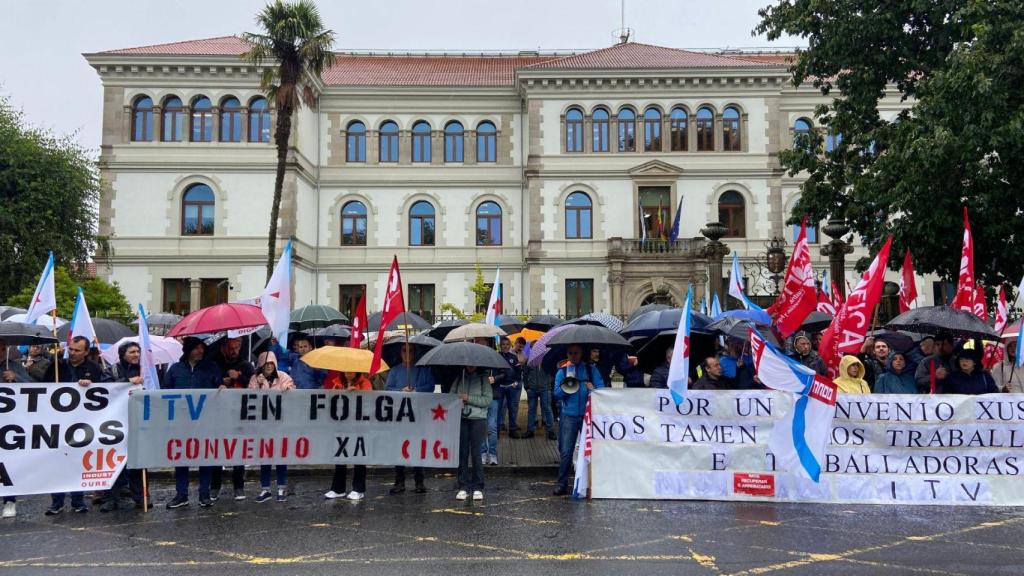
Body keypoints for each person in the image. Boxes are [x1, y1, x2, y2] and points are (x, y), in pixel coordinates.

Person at [45, 335, 108, 515]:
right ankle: (56, 502)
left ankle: (78, 501)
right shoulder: (57, 366)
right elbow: (42, 387)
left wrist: (89, 385)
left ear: (86, 352)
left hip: (81, 422)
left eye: (77, 350)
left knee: (78, 461)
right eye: (70, 349)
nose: (72, 353)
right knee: (57, 462)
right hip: (57, 422)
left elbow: (103, 392)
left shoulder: (94, 368)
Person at [163, 337, 221, 509]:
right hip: (181, 422)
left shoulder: (211, 367)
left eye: (202, 348)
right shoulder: (175, 369)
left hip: (206, 421)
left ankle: (204, 494)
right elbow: (165, 392)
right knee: (181, 457)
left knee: (206, 456)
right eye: (196, 348)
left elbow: (219, 387)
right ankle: (181, 494)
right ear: (188, 350)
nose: (200, 351)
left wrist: (222, 387)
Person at [99, 342, 150, 512]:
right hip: (115, 423)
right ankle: (110, 498)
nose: (136, 355)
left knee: (138, 461)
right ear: (123, 354)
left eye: (138, 352)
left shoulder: (145, 371)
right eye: (132, 352)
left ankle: (141, 496)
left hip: (138, 421)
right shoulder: (111, 371)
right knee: (113, 461)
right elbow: (105, 390)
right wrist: (128, 382)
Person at [552, 344, 605, 496]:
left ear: (581, 354)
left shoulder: (590, 369)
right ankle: (562, 483)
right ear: (567, 354)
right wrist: (567, 386)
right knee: (566, 451)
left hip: (588, 414)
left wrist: (592, 387)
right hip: (569, 414)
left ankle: (592, 482)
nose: (573, 356)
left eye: (576, 353)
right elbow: (556, 393)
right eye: (570, 353)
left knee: (592, 449)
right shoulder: (562, 371)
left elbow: (601, 389)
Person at [386, 344, 435, 494]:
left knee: (416, 447)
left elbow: (430, 387)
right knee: (398, 447)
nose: (407, 353)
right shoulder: (394, 371)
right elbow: (388, 389)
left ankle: (419, 481)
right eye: (404, 350)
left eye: (410, 350)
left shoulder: (423, 369)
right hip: (399, 416)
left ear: (415, 353)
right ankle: (399, 481)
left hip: (418, 415)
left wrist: (416, 390)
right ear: (400, 353)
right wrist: (400, 391)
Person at [248, 351, 294, 503]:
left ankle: (281, 488)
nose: (268, 366)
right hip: (263, 426)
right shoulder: (255, 379)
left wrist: (289, 390)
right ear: (261, 365)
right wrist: (259, 386)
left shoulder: (283, 377)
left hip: (281, 425)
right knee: (265, 456)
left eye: (271, 363)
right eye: (266, 364)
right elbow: (249, 399)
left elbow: (293, 391)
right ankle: (265, 489)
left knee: (281, 456)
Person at [212, 337, 255, 501]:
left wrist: (239, 378)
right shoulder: (215, 364)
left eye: (237, 347)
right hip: (219, 414)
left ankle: (239, 485)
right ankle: (214, 486)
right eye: (231, 348)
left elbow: (253, 386)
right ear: (223, 348)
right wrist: (220, 382)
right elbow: (209, 382)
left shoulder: (246, 365)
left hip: (240, 414)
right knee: (217, 450)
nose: (234, 351)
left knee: (239, 450)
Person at [324, 371, 373, 501]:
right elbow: (331, 400)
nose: (348, 374)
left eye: (350, 371)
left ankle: (358, 489)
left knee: (359, 456)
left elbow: (369, 401)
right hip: (342, 425)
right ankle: (338, 488)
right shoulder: (337, 383)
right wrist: (343, 392)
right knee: (340, 456)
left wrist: (356, 392)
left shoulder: (365, 383)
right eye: (346, 371)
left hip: (359, 427)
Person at [452, 364, 492, 501]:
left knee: (476, 453)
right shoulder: (459, 377)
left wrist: (468, 398)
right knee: (462, 453)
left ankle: (478, 486)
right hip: (462, 418)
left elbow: (487, 400)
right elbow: (452, 395)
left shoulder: (483, 379)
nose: (470, 366)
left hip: (478, 420)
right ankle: (463, 486)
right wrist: (459, 399)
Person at [0, 338, 30, 519]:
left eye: (3, 349)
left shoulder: (14, 366)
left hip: (9, 423)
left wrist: (16, 377)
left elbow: (37, 387)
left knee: (6, 463)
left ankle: (9, 500)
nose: (1, 352)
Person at [496, 337, 523, 439]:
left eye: (507, 344)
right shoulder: (497, 356)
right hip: (500, 387)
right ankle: (497, 431)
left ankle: (512, 430)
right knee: (498, 409)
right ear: (500, 346)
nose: (505, 346)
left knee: (512, 409)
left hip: (511, 387)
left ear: (510, 345)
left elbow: (518, 370)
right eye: (503, 344)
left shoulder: (513, 357)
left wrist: (516, 382)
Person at [523, 361, 556, 440]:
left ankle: (550, 431)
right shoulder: (530, 360)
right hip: (532, 388)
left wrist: (549, 382)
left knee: (547, 409)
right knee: (531, 410)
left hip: (545, 388)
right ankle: (530, 430)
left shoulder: (548, 360)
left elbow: (554, 372)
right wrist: (527, 386)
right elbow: (525, 373)